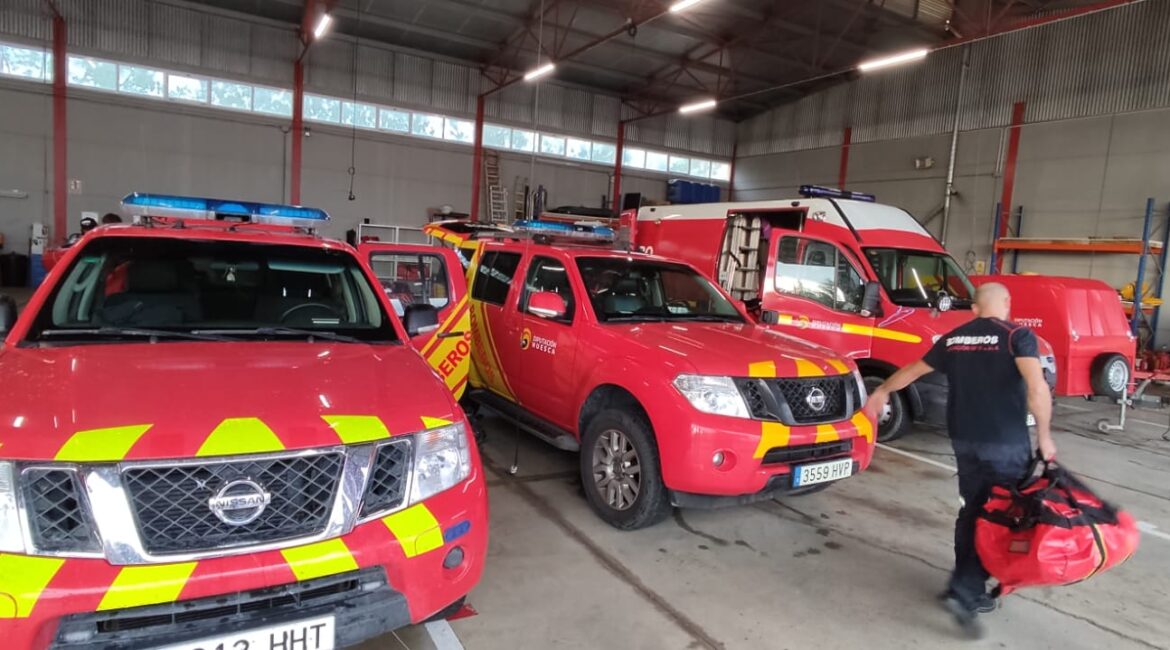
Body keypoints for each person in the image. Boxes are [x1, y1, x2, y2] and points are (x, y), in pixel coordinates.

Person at [864, 281, 1056, 640]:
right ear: (1007, 303)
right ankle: (965, 592)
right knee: (1001, 515)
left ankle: (967, 584)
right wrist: (1044, 435)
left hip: (965, 442)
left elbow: (913, 370)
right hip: (1004, 444)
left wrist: (883, 390)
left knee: (973, 510)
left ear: (974, 309)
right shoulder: (1017, 336)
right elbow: (1036, 387)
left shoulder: (954, 339)